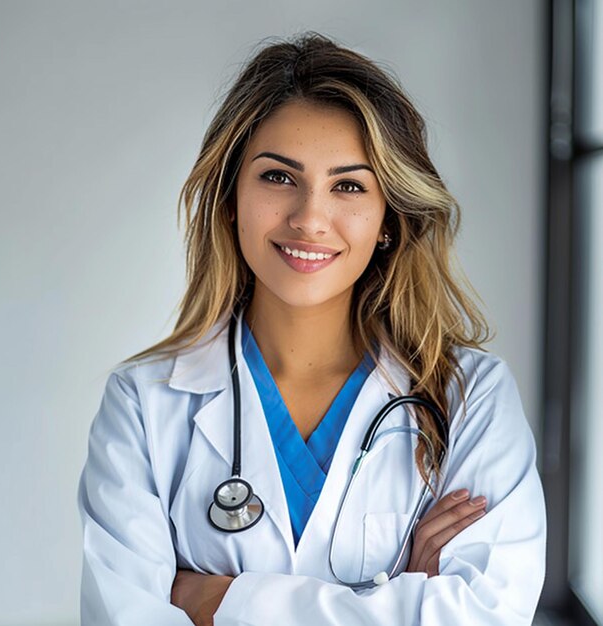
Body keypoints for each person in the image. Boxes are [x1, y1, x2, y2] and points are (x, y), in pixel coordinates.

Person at [77, 32, 546, 626]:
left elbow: (485, 618)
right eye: (278, 177)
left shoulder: (470, 397)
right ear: (230, 196)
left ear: (387, 218)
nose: (308, 218)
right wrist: (403, 598)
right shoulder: (144, 404)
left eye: (348, 185)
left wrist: (215, 601)